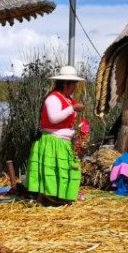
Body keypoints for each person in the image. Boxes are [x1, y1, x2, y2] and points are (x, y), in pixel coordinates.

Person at [26, 65, 88, 205]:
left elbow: (70, 119)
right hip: (52, 141)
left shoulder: (67, 99)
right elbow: (54, 118)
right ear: (66, 83)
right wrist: (72, 108)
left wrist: (80, 128)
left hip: (63, 142)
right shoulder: (52, 98)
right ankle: (47, 197)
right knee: (51, 171)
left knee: (64, 171)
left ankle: (60, 196)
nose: (75, 87)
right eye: (73, 84)